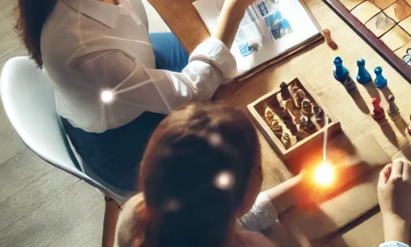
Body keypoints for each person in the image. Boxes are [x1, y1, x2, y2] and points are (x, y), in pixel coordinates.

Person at [11, 0, 271, 191]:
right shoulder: (82, 54)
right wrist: (235, 4)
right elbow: (187, 94)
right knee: (235, 155)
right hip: (124, 138)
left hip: (137, 63)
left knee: (235, 77)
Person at [115, 101, 411, 247]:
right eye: (259, 170)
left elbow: (209, 220)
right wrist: (396, 223)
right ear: (243, 195)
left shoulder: (137, 215)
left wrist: (299, 187)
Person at [115, 102, 305, 247]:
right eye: (258, 169)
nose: (260, 175)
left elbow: (220, 220)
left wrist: (303, 185)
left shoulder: (137, 214)